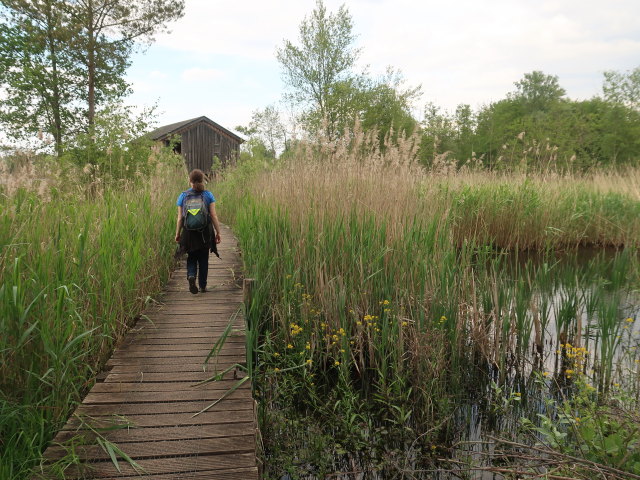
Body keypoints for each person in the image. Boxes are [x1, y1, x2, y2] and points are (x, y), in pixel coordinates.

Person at [175, 169, 222, 294]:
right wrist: (218, 232)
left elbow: (180, 218)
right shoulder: (208, 195)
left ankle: (191, 275)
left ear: (190, 181)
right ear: (202, 180)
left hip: (189, 233)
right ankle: (202, 286)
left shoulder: (183, 196)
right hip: (205, 233)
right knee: (203, 258)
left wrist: (177, 234)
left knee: (191, 257)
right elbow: (213, 216)